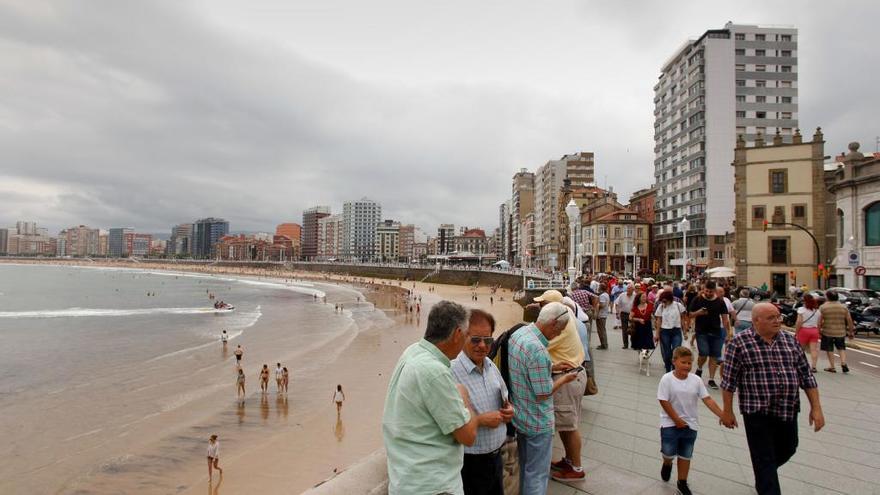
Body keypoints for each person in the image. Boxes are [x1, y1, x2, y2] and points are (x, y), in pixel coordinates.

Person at [720, 303, 824, 495]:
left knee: (789, 447)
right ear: (756, 321)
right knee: (764, 457)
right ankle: (766, 478)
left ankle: (764, 473)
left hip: (787, 408)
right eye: (771, 318)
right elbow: (728, 382)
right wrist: (727, 411)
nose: (777, 321)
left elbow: (807, 376)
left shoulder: (790, 341)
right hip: (756, 411)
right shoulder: (739, 343)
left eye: (778, 316)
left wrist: (816, 408)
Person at [382, 300, 479, 495]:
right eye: (467, 334)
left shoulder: (412, 352)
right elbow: (468, 436)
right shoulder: (435, 372)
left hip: (407, 479)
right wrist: (464, 397)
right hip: (434, 486)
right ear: (457, 335)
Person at [508, 302, 579, 494]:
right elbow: (543, 392)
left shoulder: (519, 334)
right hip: (537, 422)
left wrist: (552, 367)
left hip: (520, 416)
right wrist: (565, 379)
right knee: (537, 476)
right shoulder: (538, 350)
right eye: (560, 330)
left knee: (526, 469)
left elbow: (525, 369)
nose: (559, 334)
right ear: (553, 324)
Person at [451, 309, 514, 495]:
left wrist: (509, 410)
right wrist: (480, 420)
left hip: (496, 457)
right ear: (462, 335)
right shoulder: (451, 372)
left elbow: (505, 398)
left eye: (488, 340)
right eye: (475, 339)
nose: (482, 346)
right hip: (469, 463)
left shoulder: (491, 366)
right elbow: (448, 424)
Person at [531, 290, 587, 481]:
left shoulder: (557, 329)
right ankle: (569, 460)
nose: (539, 308)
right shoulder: (567, 315)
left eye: (543, 305)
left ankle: (577, 468)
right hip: (573, 373)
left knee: (569, 425)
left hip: (567, 378)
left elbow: (534, 343)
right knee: (565, 424)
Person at [657, 347, 725, 495]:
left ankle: (682, 482)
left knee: (686, 454)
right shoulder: (667, 379)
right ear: (674, 361)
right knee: (668, 452)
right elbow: (663, 401)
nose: (687, 366)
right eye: (683, 362)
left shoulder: (696, 380)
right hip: (669, 423)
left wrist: (722, 415)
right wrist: (676, 420)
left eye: (689, 363)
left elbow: (708, 399)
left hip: (690, 425)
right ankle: (667, 463)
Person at [687, 281, 731, 389]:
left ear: (714, 291)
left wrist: (727, 333)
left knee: (714, 356)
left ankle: (711, 379)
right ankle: (700, 368)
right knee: (704, 353)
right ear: (704, 289)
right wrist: (699, 312)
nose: (708, 293)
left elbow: (725, 318)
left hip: (716, 331)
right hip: (701, 331)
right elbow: (690, 314)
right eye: (706, 291)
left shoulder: (720, 301)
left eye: (710, 291)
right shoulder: (698, 299)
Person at [817, 291, 854, 373]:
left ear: (828, 297)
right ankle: (843, 363)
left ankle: (832, 366)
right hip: (841, 331)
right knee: (841, 348)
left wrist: (818, 331)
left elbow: (819, 321)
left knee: (829, 349)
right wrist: (851, 332)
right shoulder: (843, 307)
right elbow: (849, 320)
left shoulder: (823, 307)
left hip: (827, 331)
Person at [653, 291, 687, 373]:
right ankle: (668, 370)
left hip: (676, 331)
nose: (663, 302)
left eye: (665, 301)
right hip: (665, 332)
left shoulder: (678, 305)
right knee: (667, 353)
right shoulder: (661, 307)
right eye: (662, 301)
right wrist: (657, 334)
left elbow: (683, 319)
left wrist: (685, 331)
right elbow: (658, 320)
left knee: (676, 350)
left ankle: (674, 368)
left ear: (670, 299)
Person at [794, 293, 821, 372]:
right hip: (814, 331)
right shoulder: (817, 311)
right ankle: (814, 366)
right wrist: (818, 332)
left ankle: (800, 365)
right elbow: (819, 323)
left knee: (800, 349)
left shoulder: (801, 310)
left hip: (804, 330)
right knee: (814, 349)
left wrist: (796, 331)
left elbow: (799, 322)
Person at [615, 285, 636, 349]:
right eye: (628, 289)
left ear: (633, 290)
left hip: (632, 314)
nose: (628, 290)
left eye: (630, 289)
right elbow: (617, 304)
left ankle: (633, 344)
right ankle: (625, 344)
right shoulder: (622, 295)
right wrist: (617, 313)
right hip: (624, 314)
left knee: (633, 329)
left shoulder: (635, 296)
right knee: (624, 330)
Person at [595, 283, 611, 350]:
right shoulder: (606, 294)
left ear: (601, 288)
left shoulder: (603, 296)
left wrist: (597, 305)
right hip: (603, 314)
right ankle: (603, 344)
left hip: (601, 315)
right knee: (602, 330)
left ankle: (603, 344)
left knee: (601, 330)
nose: (598, 288)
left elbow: (602, 305)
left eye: (599, 287)